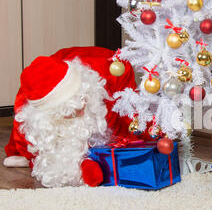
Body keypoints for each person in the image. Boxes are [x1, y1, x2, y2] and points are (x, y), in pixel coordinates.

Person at [3, 47, 138, 188]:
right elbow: (29, 141)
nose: (80, 111)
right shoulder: (34, 119)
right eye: (70, 113)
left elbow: (131, 130)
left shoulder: (108, 92)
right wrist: (28, 157)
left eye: (82, 101)